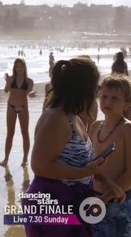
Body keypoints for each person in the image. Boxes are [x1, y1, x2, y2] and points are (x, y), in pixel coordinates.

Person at [24, 58, 123, 237]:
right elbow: (40, 166)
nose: (96, 92)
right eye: (96, 87)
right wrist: (85, 172)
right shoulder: (56, 119)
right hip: (51, 204)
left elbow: (80, 163)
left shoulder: (73, 117)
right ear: (83, 88)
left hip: (71, 202)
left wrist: (109, 183)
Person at [89, 75, 131, 237]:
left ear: (127, 104)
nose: (107, 102)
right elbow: (89, 165)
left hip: (118, 202)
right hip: (94, 197)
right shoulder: (94, 127)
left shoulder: (127, 129)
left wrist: (105, 198)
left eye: (115, 98)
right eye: (104, 96)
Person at [0, 58, 33, 167]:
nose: (19, 69)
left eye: (21, 66)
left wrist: (31, 94)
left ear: (25, 67)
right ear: (15, 68)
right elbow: (5, 91)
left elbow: (28, 92)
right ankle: (6, 159)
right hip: (11, 107)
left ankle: (25, 159)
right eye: (17, 67)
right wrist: (8, 83)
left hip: (23, 107)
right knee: (10, 133)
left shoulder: (29, 81)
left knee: (25, 133)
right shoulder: (11, 78)